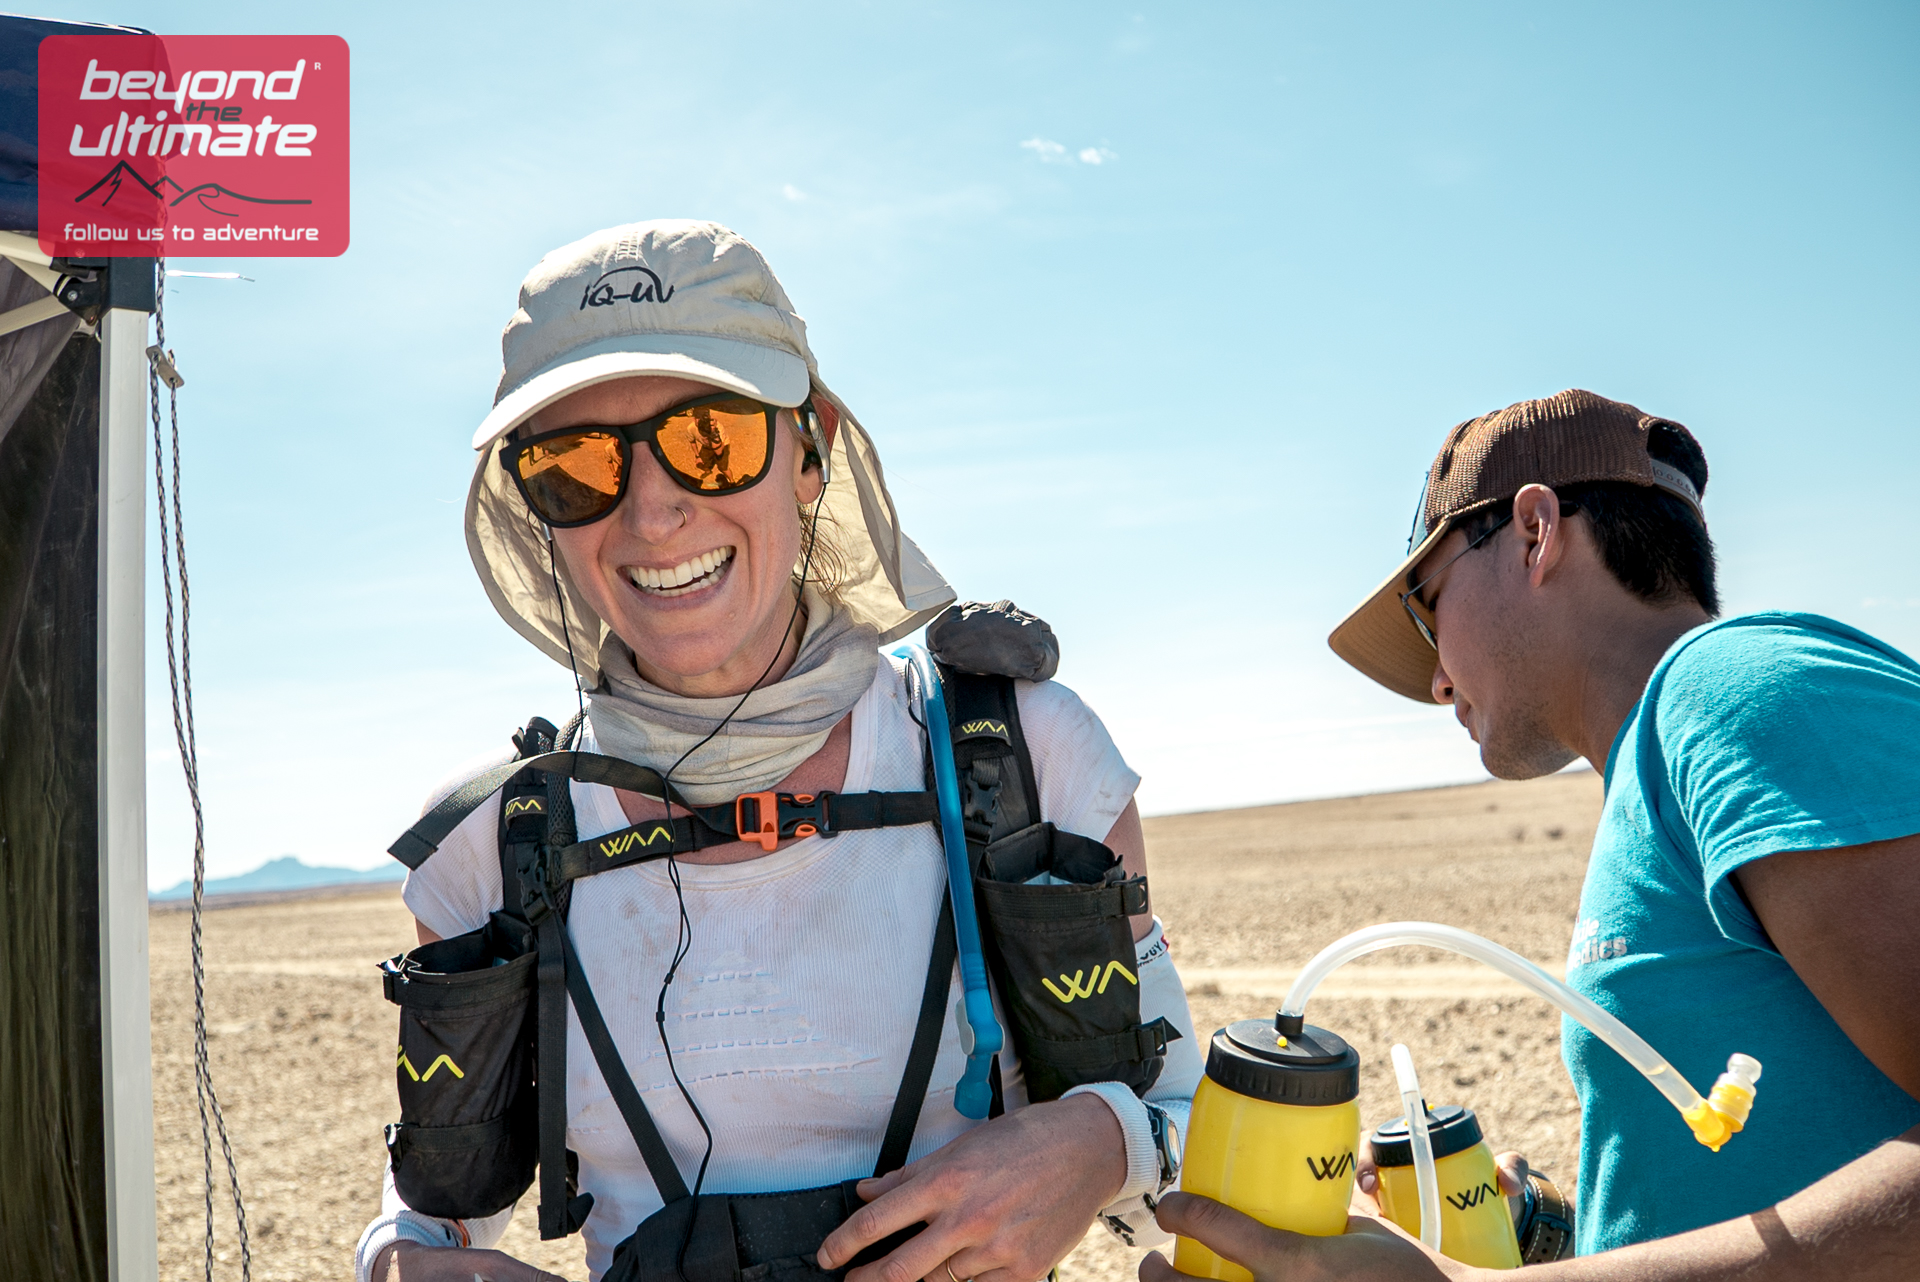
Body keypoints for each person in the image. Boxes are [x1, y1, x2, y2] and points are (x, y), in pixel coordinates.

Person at [352, 220, 1201, 1282]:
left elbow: (1182, 1142)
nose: (652, 512)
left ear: (810, 450)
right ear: (536, 513)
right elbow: (434, 1211)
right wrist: (399, 1260)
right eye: (576, 466)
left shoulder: (1022, 759)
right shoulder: (492, 840)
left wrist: (1100, 1146)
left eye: (710, 438)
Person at [1153, 390, 1920, 1279]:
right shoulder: (1660, 760)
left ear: (1534, 533)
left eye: (1427, 609)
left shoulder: (1740, 692)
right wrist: (1541, 1231)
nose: (1438, 682)